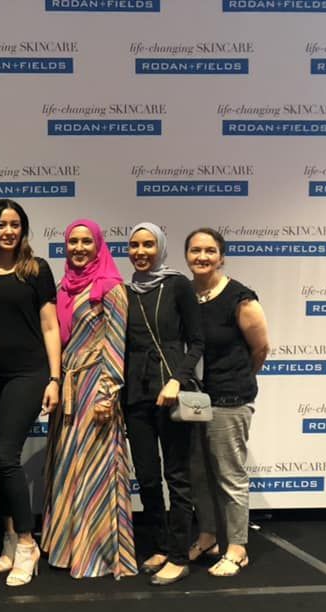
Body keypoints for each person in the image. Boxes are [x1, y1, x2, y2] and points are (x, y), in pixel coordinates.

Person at [42, 219, 137, 579]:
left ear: (98, 246)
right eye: (73, 242)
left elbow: (116, 343)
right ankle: (68, 546)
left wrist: (108, 394)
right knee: (69, 466)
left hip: (96, 386)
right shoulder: (63, 287)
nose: (79, 248)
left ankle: (98, 553)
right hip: (69, 388)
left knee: (96, 469)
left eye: (86, 242)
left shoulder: (111, 288)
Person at [0, 198, 61, 587]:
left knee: (7, 454)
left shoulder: (36, 270)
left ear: (23, 229)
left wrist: (55, 378)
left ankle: (27, 542)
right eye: (1, 225)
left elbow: (49, 326)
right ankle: (9, 538)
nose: (8, 231)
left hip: (29, 372)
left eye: (15, 224)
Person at [185, 227, 269, 576]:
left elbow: (260, 348)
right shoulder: (185, 294)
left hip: (230, 398)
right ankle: (208, 536)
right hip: (193, 399)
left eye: (209, 250)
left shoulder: (241, 298)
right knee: (198, 474)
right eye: (194, 250)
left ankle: (237, 547)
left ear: (221, 256)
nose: (202, 257)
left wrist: (236, 379)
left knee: (229, 475)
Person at [123, 222, 204, 586]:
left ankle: (178, 555)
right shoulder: (125, 292)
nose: (140, 252)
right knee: (147, 475)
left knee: (177, 476)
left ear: (161, 248)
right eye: (134, 245)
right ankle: (158, 546)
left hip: (170, 390)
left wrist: (177, 379)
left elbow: (198, 342)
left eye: (148, 244)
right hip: (135, 394)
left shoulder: (177, 285)